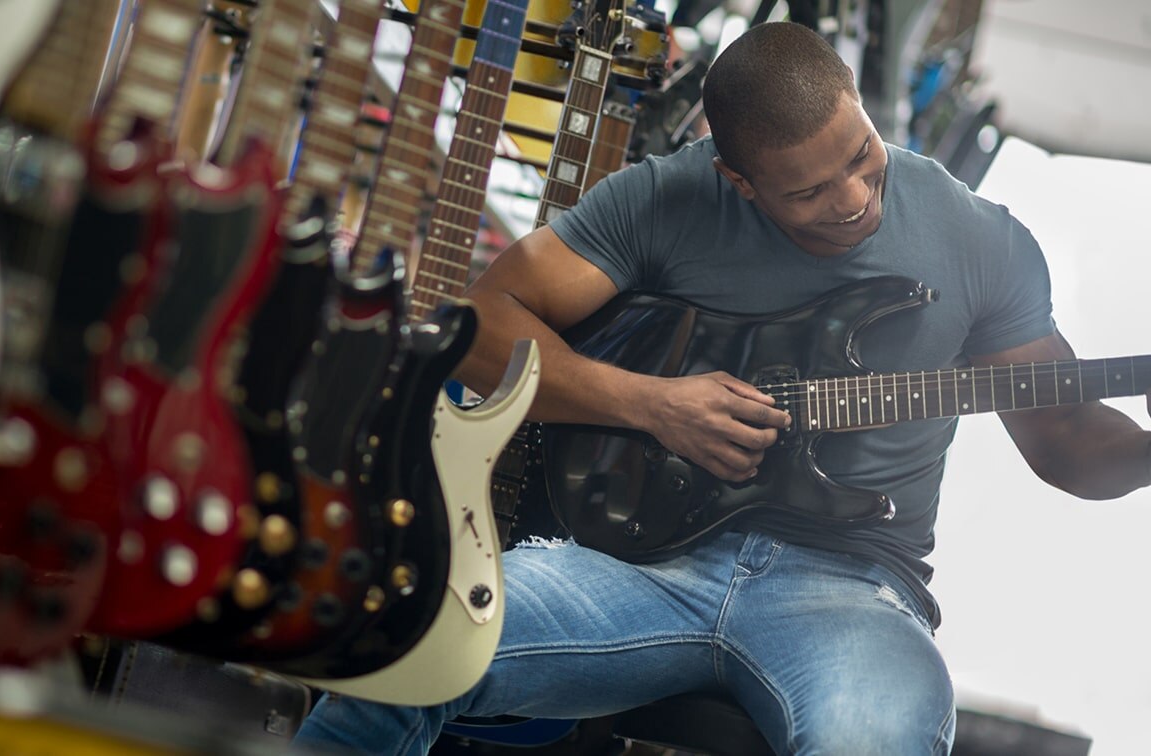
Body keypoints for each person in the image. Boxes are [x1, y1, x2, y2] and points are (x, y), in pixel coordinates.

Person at [292, 21, 1151, 755]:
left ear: (857, 100)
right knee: (411, 645)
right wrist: (650, 405)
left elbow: (1069, 441)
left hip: (850, 589)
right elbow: (480, 327)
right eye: (809, 191)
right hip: (635, 564)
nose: (854, 201)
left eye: (862, 158)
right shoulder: (669, 197)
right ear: (736, 179)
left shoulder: (979, 239)